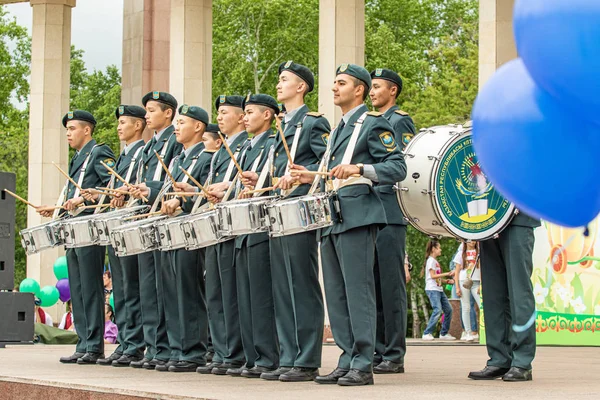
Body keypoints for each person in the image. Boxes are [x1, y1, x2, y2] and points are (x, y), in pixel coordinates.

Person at [307, 63, 406, 386]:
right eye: (334, 83)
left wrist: (361, 169)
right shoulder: (338, 128)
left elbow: (397, 166)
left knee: (357, 290)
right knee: (336, 293)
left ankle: (363, 362)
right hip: (333, 215)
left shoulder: (373, 123)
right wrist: (306, 175)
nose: (334, 88)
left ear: (359, 89)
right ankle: (347, 357)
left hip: (359, 214)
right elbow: (331, 172)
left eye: (341, 83)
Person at [263, 61, 330, 382]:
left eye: (284, 80)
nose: (279, 84)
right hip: (279, 211)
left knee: (300, 284)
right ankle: (289, 355)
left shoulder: (312, 123)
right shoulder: (280, 123)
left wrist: (300, 178)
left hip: (300, 211)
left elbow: (324, 164)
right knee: (282, 287)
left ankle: (307, 358)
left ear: (301, 86)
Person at [37, 110, 115, 365]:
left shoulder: (100, 153)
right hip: (72, 230)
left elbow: (110, 189)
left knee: (91, 289)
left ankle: (94, 345)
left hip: (89, 231)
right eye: (67, 129)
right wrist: (57, 208)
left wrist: (83, 199)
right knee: (78, 289)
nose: (68, 134)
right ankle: (83, 342)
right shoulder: (77, 159)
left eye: (72, 129)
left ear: (87, 130)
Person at [224, 94, 280, 379]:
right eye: (243, 113)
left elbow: (274, 177)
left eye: (250, 112)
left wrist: (258, 181)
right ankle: (251, 356)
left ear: (267, 115)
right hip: (242, 227)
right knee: (243, 296)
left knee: (260, 297)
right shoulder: (246, 147)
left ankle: (268, 356)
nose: (244, 118)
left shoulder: (272, 143)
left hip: (260, 225)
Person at [158, 104, 216, 372]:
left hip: (190, 231)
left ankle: (193, 349)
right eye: (177, 122)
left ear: (198, 127)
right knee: (172, 291)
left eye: (182, 122)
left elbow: (205, 196)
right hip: (172, 229)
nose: (177, 127)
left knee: (189, 290)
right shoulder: (177, 159)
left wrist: (183, 201)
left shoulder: (206, 157)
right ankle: (177, 347)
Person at [128, 91, 183, 370]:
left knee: (164, 288)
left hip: (163, 217)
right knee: (148, 287)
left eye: (151, 110)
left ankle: (167, 347)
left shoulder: (175, 140)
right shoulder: (149, 146)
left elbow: (174, 181)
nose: (146, 115)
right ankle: (154, 346)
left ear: (168, 113)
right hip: (146, 216)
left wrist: (149, 190)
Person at [369, 68, 416, 374]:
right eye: (370, 87)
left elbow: (405, 164)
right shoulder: (369, 123)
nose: (372, 92)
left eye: (377, 87)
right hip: (370, 211)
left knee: (390, 286)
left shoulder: (400, 121)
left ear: (393, 91)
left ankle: (394, 353)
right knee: (371, 285)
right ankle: (376, 348)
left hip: (390, 212)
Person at [199, 95, 248, 375]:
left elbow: (243, 181)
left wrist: (225, 189)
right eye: (218, 112)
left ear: (241, 117)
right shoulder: (221, 150)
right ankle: (220, 350)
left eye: (225, 112)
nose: (219, 117)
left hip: (234, 225)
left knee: (231, 293)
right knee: (215, 292)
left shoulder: (243, 147)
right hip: (216, 225)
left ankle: (233, 351)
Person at [96, 105, 147, 367]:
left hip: (131, 226)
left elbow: (141, 188)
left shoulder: (143, 153)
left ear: (138, 125)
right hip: (117, 226)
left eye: (124, 122)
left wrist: (126, 193)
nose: (119, 127)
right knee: (122, 288)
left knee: (132, 287)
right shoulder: (121, 157)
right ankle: (126, 342)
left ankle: (136, 343)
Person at [468, 212, 540, 382]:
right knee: (493, 295)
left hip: (519, 217)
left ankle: (522, 362)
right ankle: (499, 359)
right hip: (487, 220)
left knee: (519, 292)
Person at [422, 240, 456, 341]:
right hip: (432, 290)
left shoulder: (435, 261)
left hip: (439, 289)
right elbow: (432, 276)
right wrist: (447, 273)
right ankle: (427, 333)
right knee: (437, 310)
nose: (440, 250)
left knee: (448, 310)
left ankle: (443, 333)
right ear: (433, 249)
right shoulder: (430, 261)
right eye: (439, 248)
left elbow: (437, 278)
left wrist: (446, 281)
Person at [455, 241, 481, 342]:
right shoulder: (461, 253)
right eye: (470, 240)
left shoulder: (479, 252)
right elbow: (456, 271)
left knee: (481, 305)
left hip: (476, 281)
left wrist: (482, 284)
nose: (472, 242)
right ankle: (468, 332)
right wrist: (457, 287)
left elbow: (482, 268)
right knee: (466, 307)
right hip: (463, 281)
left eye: (474, 240)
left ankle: (483, 331)